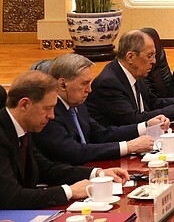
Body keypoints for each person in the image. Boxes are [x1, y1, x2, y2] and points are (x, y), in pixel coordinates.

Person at [0, 70, 129, 208]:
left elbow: (46, 169)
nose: (52, 116)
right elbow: (11, 197)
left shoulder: (23, 127)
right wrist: (69, 191)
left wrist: (97, 173)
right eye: (47, 108)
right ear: (24, 104)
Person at [33, 54, 168, 165]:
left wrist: (146, 125)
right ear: (62, 84)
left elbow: (102, 134)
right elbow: (74, 152)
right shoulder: (49, 112)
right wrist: (128, 147)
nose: (90, 90)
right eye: (84, 83)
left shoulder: (77, 103)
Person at [86, 30, 174, 127]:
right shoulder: (109, 83)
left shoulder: (135, 73)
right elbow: (133, 120)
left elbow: (153, 103)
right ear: (130, 57)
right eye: (149, 56)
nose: (154, 61)